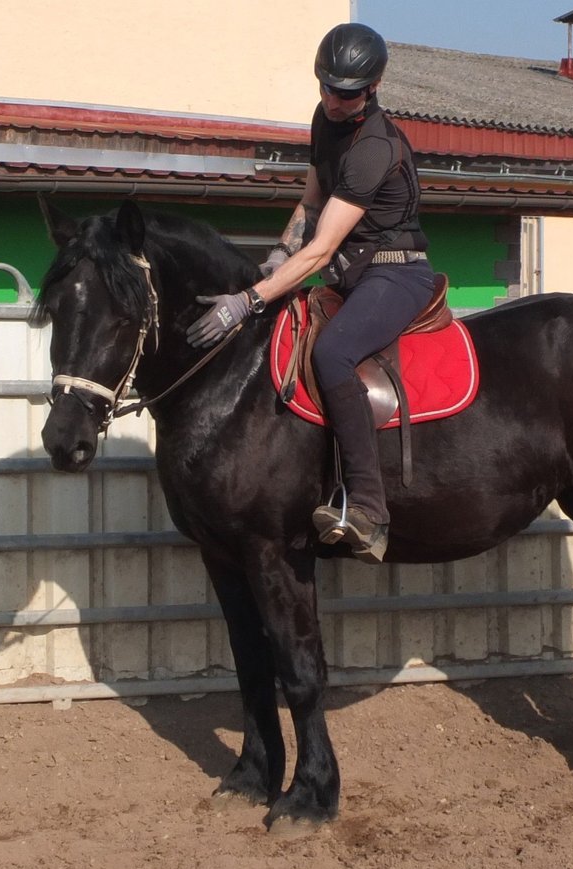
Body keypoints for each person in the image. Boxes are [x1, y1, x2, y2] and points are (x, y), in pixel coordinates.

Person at [187, 22, 434, 564]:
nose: (333, 99)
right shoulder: (326, 118)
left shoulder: (375, 146)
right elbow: (312, 199)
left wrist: (249, 299)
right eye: (326, 87)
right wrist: (278, 254)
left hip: (396, 273)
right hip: (350, 274)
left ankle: (370, 506)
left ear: (372, 87)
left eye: (346, 93)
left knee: (332, 351)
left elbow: (321, 250)